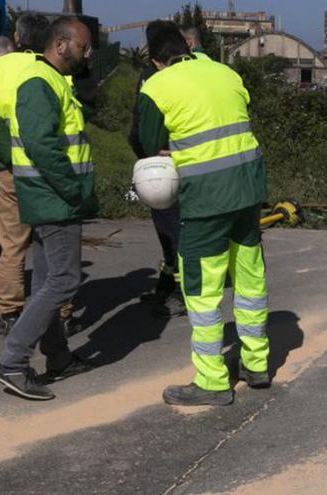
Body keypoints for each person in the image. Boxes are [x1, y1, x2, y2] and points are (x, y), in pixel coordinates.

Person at [137, 22, 270, 407]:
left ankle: (212, 382)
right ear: (188, 47)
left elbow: (148, 145)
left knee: (201, 289)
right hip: (248, 189)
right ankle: (256, 364)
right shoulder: (226, 72)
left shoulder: (157, 86)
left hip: (206, 199)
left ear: (156, 60)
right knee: (249, 278)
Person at [0, 16, 97, 401]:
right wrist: (72, 189)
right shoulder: (39, 83)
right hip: (54, 196)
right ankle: (13, 361)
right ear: (60, 44)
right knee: (65, 280)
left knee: (48, 279)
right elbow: (41, 145)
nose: (87, 54)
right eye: (83, 47)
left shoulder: (51, 80)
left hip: (51, 194)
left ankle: (58, 357)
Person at [0, 13, 82, 337]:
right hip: (49, 170)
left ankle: (9, 311)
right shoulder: (57, 72)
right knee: (53, 246)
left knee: (12, 242)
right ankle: (61, 313)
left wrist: (11, 156)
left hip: (8, 170)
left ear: (17, 38)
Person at [128, 20, 184, 316]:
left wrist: (146, 154)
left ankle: (179, 291)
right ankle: (168, 286)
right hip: (177, 164)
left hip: (164, 168)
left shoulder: (153, 78)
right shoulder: (196, 70)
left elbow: (143, 130)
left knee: (172, 233)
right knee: (171, 233)